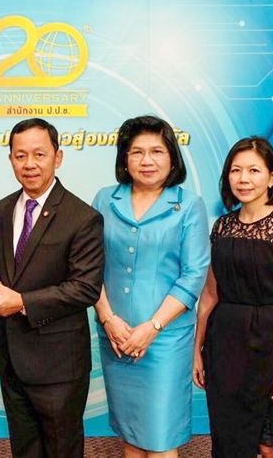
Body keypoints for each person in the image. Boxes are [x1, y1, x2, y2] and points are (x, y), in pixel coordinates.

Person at [0, 118, 104, 458]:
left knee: (62, 450)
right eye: (20, 156)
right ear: (11, 159)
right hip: (10, 357)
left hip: (58, 364)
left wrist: (21, 301)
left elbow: (85, 288)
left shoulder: (82, 217)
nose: (29, 164)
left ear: (57, 157)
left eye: (39, 154)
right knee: (25, 450)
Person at [92, 115, 210, 457]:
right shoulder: (104, 200)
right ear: (124, 158)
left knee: (160, 439)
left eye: (157, 151)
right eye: (137, 152)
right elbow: (87, 267)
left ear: (172, 157)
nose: (147, 160)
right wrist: (108, 319)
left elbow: (194, 273)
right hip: (115, 334)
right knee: (131, 435)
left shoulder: (188, 205)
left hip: (165, 339)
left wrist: (153, 327)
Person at [193, 137, 273, 458]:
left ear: (272, 177)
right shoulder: (222, 227)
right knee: (227, 436)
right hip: (224, 344)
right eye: (236, 171)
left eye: (253, 170)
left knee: (269, 443)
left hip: (272, 344)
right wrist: (196, 350)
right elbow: (209, 295)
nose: (243, 179)